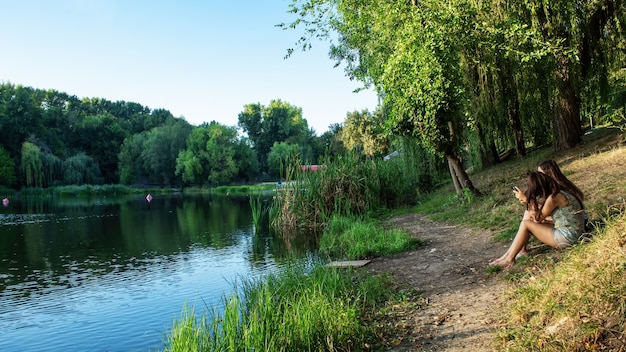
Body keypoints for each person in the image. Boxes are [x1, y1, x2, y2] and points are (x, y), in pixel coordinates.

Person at [490, 171, 585, 267]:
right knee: (528, 216)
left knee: (526, 224)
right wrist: (529, 202)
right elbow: (543, 211)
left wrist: (528, 201)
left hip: (568, 237)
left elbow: (537, 219)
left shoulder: (553, 198)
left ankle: (509, 259)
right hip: (573, 231)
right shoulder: (559, 192)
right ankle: (507, 256)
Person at [512, 159, 587, 257]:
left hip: (572, 226)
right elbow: (549, 209)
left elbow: (539, 217)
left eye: (541, 174)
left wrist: (528, 200)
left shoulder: (556, 193)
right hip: (573, 222)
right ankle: (521, 249)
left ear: (548, 175)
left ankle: (520, 251)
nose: (539, 177)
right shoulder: (560, 187)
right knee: (529, 214)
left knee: (529, 217)